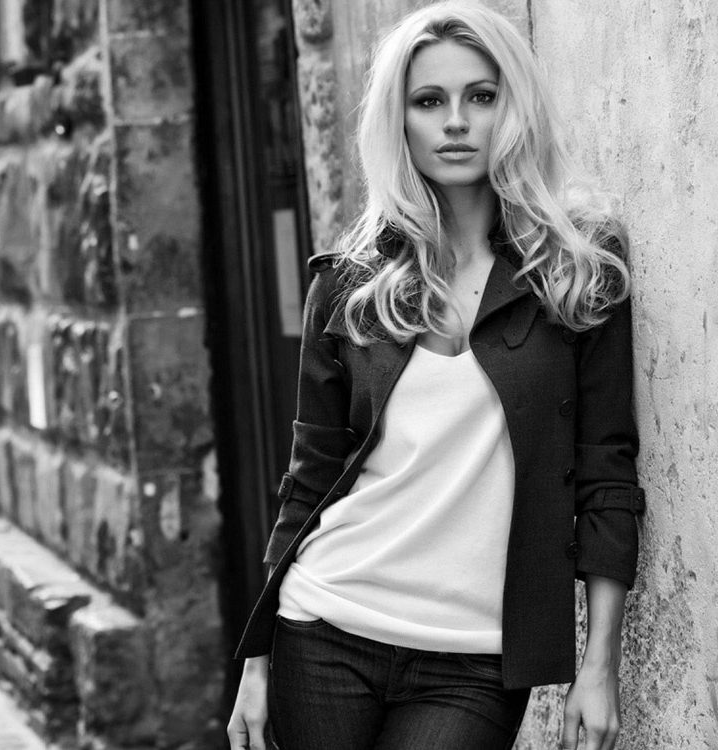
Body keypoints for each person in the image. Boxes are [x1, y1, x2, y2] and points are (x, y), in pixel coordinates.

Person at [227, 3, 644, 749]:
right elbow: (310, 475)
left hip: (475, 658)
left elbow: (607, 471)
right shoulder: (350, 285)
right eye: (428, 100)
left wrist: (600, 663)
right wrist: (257, 659)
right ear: (399, 121)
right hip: (325, 626)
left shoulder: (577, 272)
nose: (456, 122)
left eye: (480, 96)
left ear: (514, 107)